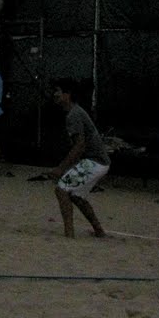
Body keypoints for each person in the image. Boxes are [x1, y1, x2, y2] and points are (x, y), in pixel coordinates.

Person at [49, 79, 109, 239]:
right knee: (76, 195)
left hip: (95, 161)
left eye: (58, 91)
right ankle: (99, 231)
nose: (54, 94)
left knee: (61, 190)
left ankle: (69, 233)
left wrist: (61, 168)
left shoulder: (73, 115)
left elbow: (79, 146)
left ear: (67, 95)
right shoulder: (76, 112)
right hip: (97, 161)